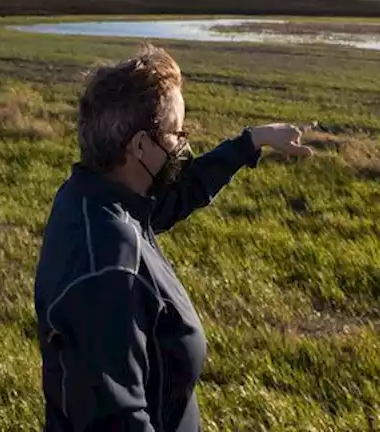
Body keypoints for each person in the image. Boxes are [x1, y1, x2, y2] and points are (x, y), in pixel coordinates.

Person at [34, 44, 313, 431]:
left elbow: (175, 197)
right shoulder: (110, 268)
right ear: (140, 145)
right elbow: (116, 421)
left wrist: (252, 141)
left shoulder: (95, 197)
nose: (183, 144)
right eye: (176, 133)